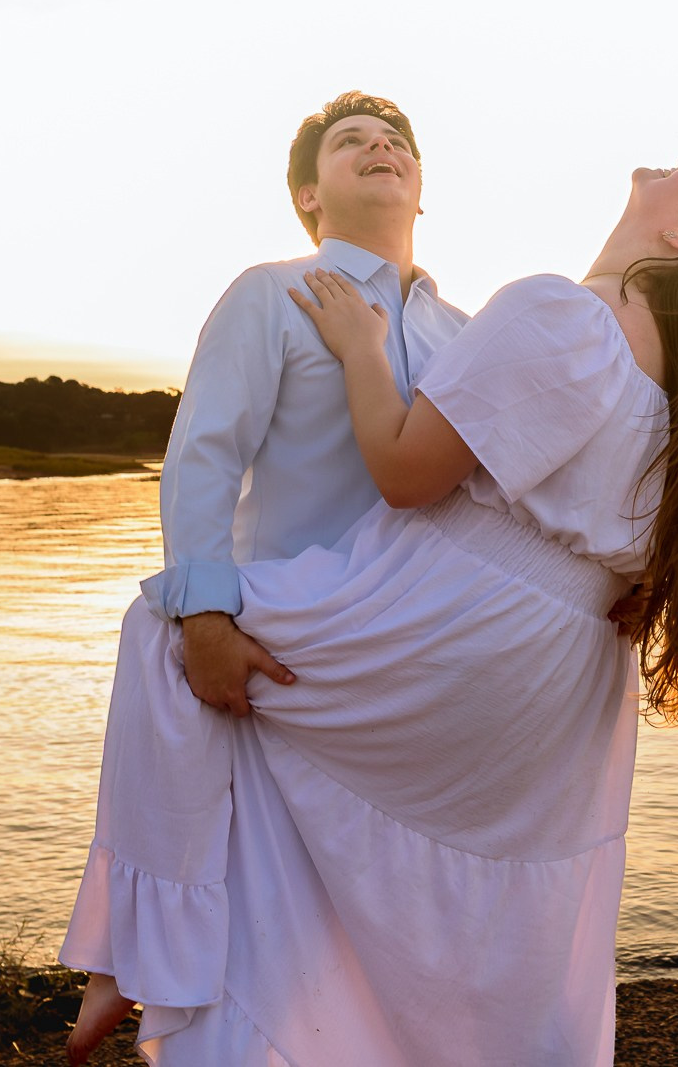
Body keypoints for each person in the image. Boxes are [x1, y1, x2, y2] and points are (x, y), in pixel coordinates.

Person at [62, 157, 678, 1066]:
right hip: (566, 676)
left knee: (169, 630)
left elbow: (408, 474)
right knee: (480, 917)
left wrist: (363, 348)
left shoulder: (563, 312)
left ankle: (139, 951)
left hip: (455, 616)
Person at [152, 91, 469, 716]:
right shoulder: (271, 293)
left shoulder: (466, 333)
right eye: (350, 140)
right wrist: (205, 615)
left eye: (395, 142)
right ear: (309, 195)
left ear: (420, 190)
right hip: (283, 643)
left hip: (423, 651)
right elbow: (205, 454)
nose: (381, 145)